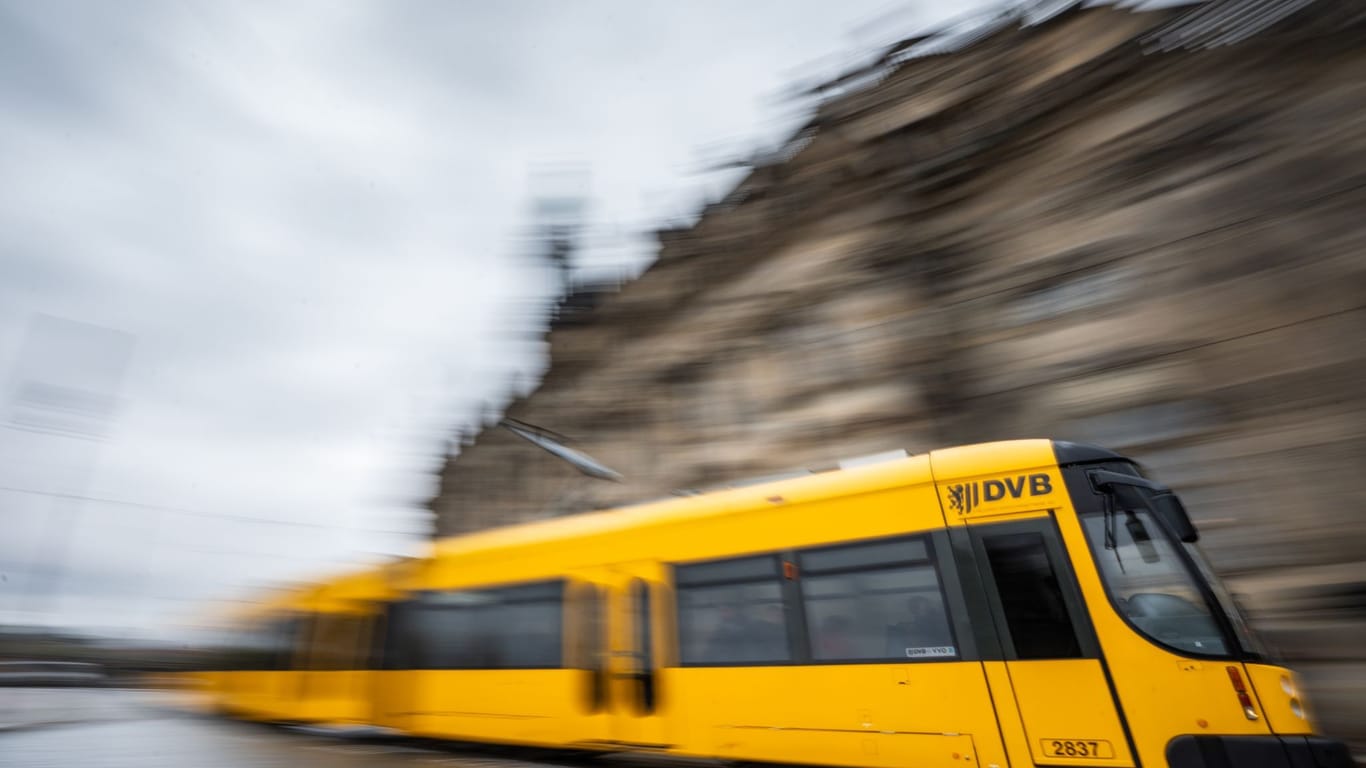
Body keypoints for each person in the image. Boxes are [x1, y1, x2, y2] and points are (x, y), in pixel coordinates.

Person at [886, 594, 953, 657]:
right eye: (915, 608)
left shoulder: (941, 620)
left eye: (919, 607)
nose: (918, 610)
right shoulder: (917, 623)